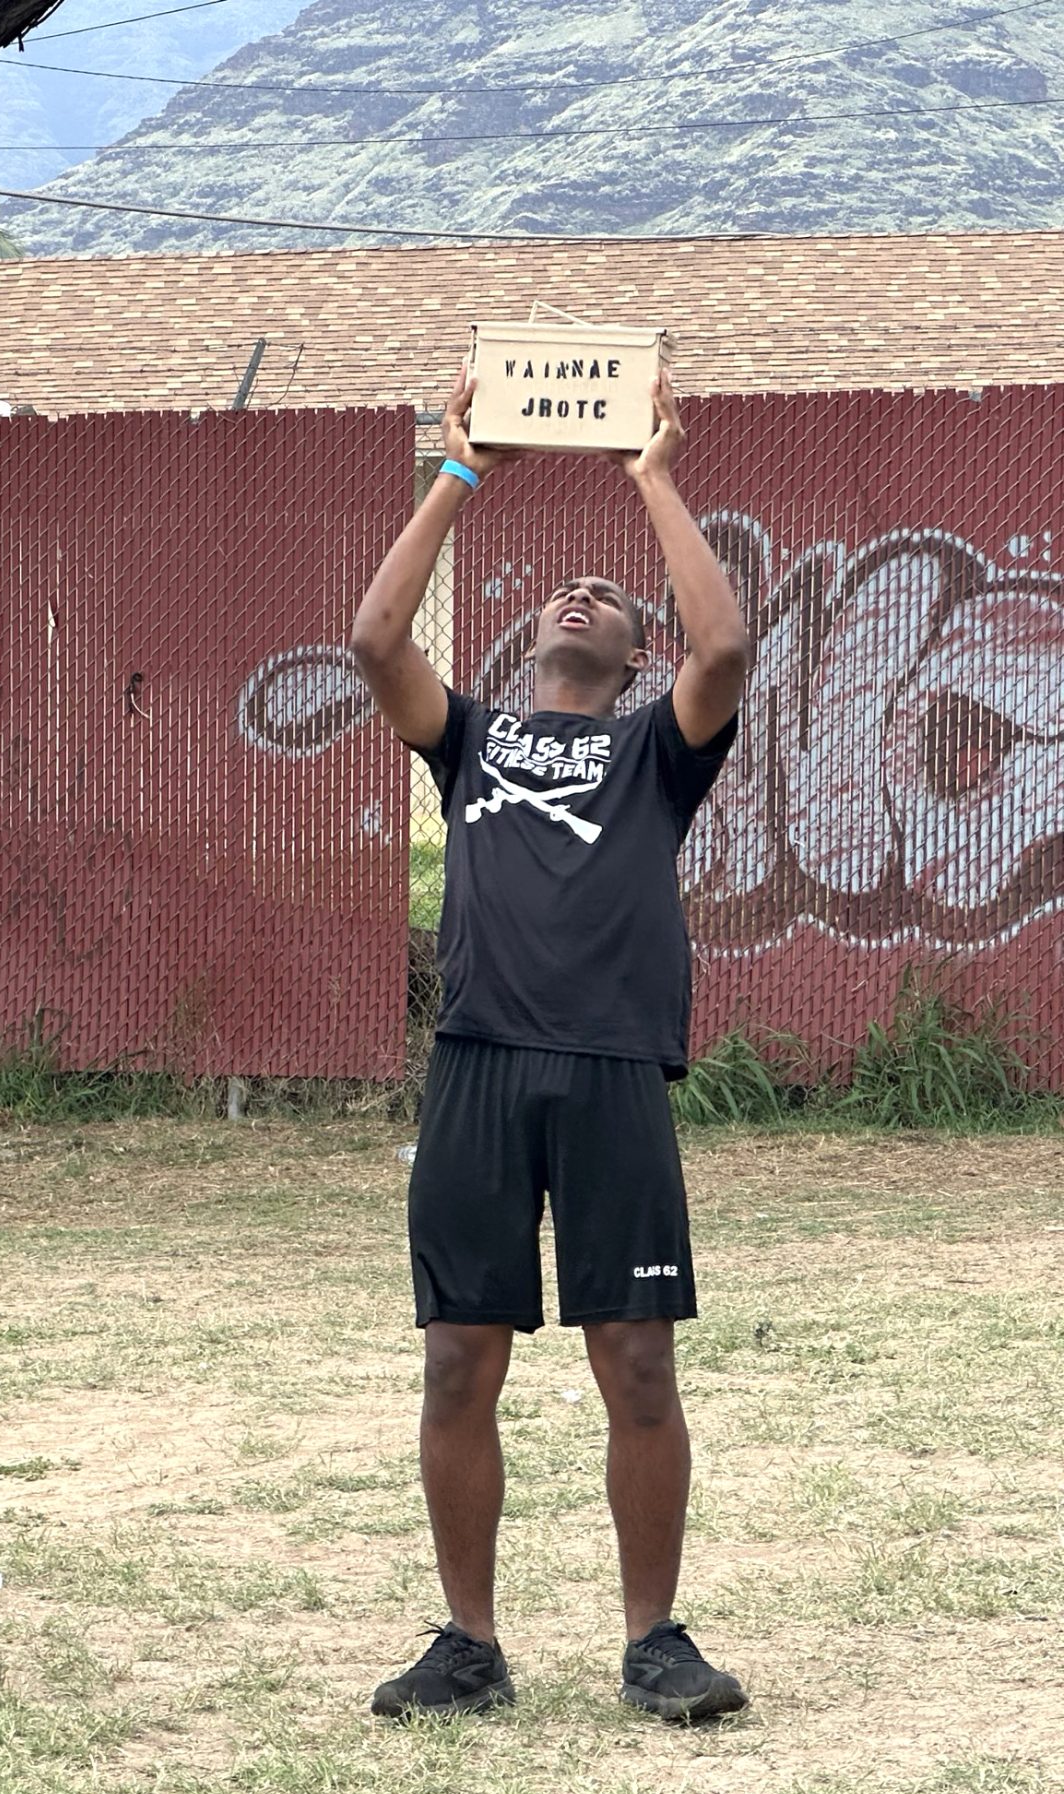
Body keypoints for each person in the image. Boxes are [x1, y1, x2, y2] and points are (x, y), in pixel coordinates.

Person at [351, 369, 753, 1722]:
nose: (582, 592)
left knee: (636, 1361)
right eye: (563, 590)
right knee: (456, 1360)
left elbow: (724, 648)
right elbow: (376, 638)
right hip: (475, 1062)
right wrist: (459, 471)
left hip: (610, 1068)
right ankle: (469, 1645)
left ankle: (654, 1643)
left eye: (608, 597)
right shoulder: (468, 738)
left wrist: (651, 472)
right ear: (525, 642)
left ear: (635, 659)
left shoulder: (655, 750)